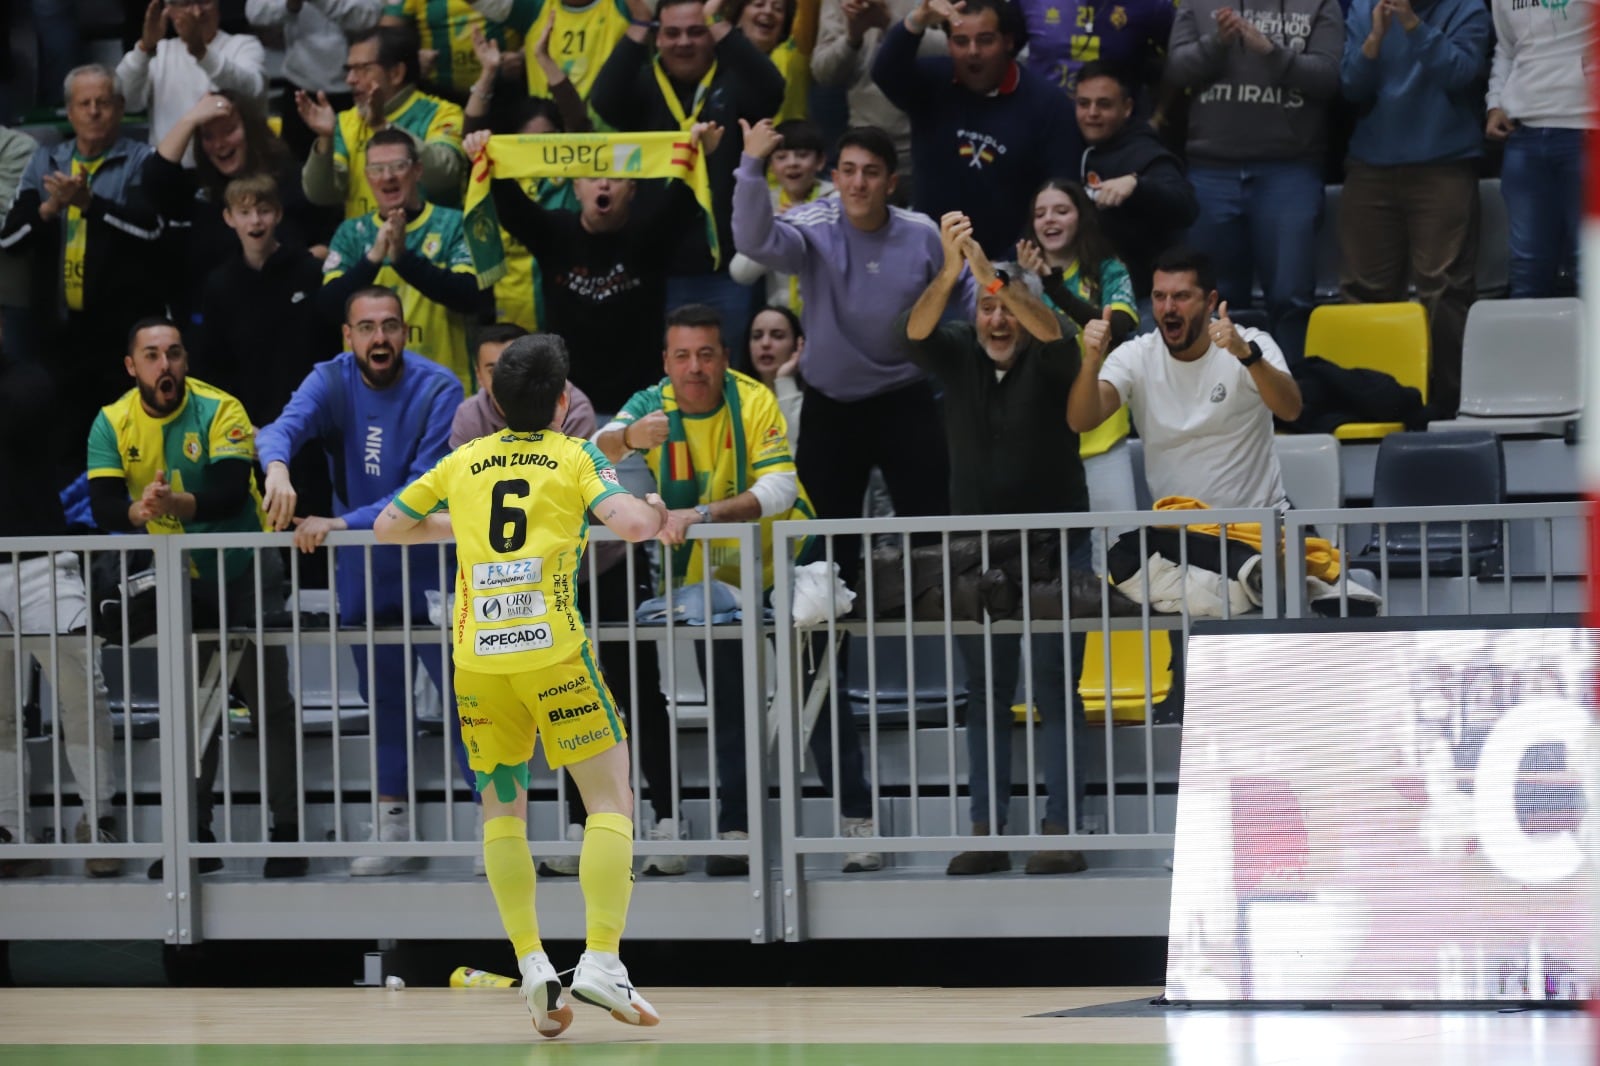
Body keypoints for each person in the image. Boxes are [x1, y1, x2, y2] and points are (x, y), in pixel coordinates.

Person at [374, 332, 668, 1033]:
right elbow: (631, 524)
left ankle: (533, 964)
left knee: (501, 812)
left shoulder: (464, 459)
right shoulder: (574, 453)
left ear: (497, 401)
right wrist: (656, 509)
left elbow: (389, 526)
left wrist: (458, 525)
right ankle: (600, 959)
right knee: (610, 800)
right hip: (552, 654)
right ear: (562, 400)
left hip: (479, 661)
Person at [596, 303, 882, 875]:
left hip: (788, 565)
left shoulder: (752, 399)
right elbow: (592, 451)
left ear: (725, 358)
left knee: (819, 697)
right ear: (666, 361)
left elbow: (780, 488)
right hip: (710, 582)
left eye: (706, 354)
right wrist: (626, 436)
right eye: (683, 356)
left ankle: (858, 823)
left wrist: (701, 514)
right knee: (728, 706)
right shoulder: (651, 404)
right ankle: (737, 830)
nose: (694, 367)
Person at [449, 324, 684, 876]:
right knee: (562, 705)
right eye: (489, 370)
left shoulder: (569, 404)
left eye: (505, 368)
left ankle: (669, 818)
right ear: (482, 377)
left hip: (599, 567)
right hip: (525, 587)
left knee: (635, 688)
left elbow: (574, 475)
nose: (498, 380)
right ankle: (583, 826)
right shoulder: (467, 418)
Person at [901, 213, 1094, 876]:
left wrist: (994, 277)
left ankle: (1062, 831)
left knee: (1054, 685)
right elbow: (912, 331)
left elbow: (1053, 329)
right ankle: (987, 831)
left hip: (1057, 542)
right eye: (986, 309)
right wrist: (953, 271)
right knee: (985, 690)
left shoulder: (1051, 349)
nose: (998, 319)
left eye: (1005, 307)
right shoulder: (957, 350)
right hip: (977, 551)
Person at [256, 286, 471, 876]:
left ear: (406, 332)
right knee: (383, 701)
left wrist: (338, 523)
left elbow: (423, 489)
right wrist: (277, 468)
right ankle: (393, 826)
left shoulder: (439, 388)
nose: (380, 338)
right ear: (348, 336)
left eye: (390, 326)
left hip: (430, 561)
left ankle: (495, 826)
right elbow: (277, 430)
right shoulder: (331, 378)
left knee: (467, 700)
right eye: (367, 327)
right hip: (364, 569)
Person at [86, 317, 306, 879]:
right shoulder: (111, 422)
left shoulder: (220, 408)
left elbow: (230, 493)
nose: (166, 365)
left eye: (175, 354)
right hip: (181, 577)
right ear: (132, 366)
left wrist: (171, 505)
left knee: (269, 702)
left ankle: (288, 834)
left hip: (246, 565)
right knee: (191, 709)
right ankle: (193, 836)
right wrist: (138, 510)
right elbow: (104, 504)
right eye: (152, 355)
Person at [731, 121, 967, 584]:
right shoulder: (812, 223)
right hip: (831, 405)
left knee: (931, 533)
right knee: (823, 546)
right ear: (835, 178)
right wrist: (751, 164)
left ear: (891, 183)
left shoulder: (921, 232)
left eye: (871, 172)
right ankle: (825, 632)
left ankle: (935, 627)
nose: (859, 183)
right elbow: (754, 242)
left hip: (906, 398)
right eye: (850, 171)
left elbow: (968, 287)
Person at [466, 122, 720, 413]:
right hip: (568, 404)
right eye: (593, 176)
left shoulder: (651, 236)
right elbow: (512, 206)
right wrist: (482, 153)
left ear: (632, 189)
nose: (604, 184)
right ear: (576, 188)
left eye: (615, 177)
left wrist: (703, 152)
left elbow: (684, 196)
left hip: (640, 403)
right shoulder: (554, 234)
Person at [0, 65, 165, 491]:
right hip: (57, 331)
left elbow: (151, 230)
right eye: (84, 103)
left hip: (118, 333)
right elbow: (10, 239)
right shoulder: (46, 160)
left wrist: (91, 205)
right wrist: (49, 208)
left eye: (103, 102)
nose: (93, 111)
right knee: (62, 444)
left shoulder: (141, 159)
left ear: (120, 108)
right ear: (69, 112)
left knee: (122, 445)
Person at [590, 0, 787, 355]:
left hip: (729, 268)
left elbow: (773, 89)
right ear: (658, 38)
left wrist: (717, 20)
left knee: (729, 370)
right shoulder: (644, 86)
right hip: (659, 269)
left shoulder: (734, 82)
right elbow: (603, 99)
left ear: (712, 36)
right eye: (672, 33)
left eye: (696, 31)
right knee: (673, 374)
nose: (684, 42)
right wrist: (640, 22)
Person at [0, 340, 120, 880]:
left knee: (82, 692)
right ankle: (10, 831)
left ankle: (99, 820)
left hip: (41, 562)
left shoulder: (29, 379)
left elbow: (20, 420)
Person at [1165, 0, 1344, 363]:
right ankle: (1219, 391)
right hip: (1211, 168)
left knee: (1291, 297)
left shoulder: (1319, 3)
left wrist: (1271, 52)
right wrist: (1217, 43)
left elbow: (1329, 78)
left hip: (1289, 167)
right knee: (1212, 299)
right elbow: (1177, 71)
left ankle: (1291, 388)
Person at [1340, 0, 1490, 416]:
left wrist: (1411, 24)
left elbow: (1461, 73)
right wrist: (1374, 39)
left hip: (1444, 164)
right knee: (1364, 291)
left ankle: (1451, 405)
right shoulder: (1364, 8)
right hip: (1371, 165)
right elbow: (1350, 85)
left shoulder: (1466, 8)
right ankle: (1372, 403)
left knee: (1444, 288)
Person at [1068, 247, 1302, 511]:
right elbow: (1081, 421)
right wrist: (1091, 361)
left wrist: (1248, 357)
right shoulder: (1136, 356)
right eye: (1159, 296)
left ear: (1210, 302)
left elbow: (1290, 409)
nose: (1168, 308)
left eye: (1181, 296)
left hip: (1257, 523)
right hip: (1176, 529)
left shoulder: (1250, 343)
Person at [870, 0, 1082, 258]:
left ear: (1008, 42)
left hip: (1011, 261)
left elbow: (1063, 191)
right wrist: (916, 21)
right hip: (929, 253)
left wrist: (1012, 265)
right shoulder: (932, 81)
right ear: (949, 45)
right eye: (961, 41)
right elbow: (884, 72)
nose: (973, 51)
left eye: (985, 40)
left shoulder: (1049, 105)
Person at [143, 90, 336, 332]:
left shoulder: (291, 179)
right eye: (208, 136)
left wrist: (297, 264)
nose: (220, 144)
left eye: (229, 131)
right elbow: (154, 181)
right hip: (212, 328)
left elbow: (332, 237)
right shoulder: (196, 189)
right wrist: (189, 120)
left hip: (288, 318)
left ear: (251, 130)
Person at [1014, 179, 1139, 535]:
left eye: (1061, 211)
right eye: (1040, 213)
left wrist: (1053, 286)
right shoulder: (1016, 279)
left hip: (1103, 439)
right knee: (1046, 556)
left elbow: (1116, 327)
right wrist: (1025, 286)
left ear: (1081, 217)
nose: (1049, 220)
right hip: (1041, 441)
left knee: (1120, 550)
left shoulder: (1107, 269)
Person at [321, 128, 481, 389]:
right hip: (367, 392)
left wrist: (403, 260)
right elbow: (328, 308)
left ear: (417, 170)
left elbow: (470, 296)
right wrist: (373, 259)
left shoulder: (453, 224)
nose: (388, 176)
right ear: (367, 176)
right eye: (377, 169)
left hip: (442, 388)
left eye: (398, 166)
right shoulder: (351, 233)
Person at [196, 173, 341, 428]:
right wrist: (235, 420)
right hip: (248, 424)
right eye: (244, 212)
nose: (255, 220)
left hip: (312, 418)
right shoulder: (219, 284)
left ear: (278, 214)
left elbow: (331, 347)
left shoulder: (309, 272)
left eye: (264, 211)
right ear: (229, 218)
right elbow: (214, 362)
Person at [297, 25, 467, 219]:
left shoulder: (442, 113)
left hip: (431, 236)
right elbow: (321, 195)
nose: (350, 79)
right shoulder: (345, 121)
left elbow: (444, 177)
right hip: (366, 237)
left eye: (363, 69)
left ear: (396, 73)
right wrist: (325, 139)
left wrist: (382, 126)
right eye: (349, 70)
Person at [1485, 0, 1590, 298]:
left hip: (1587, 131)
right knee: (1526, 266)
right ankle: (1528, 331)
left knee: (1589, 263)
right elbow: (1506, 49)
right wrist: (1495, 102)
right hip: (1525, 135)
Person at [1072, 61, 1198, 303]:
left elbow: (1185, 204)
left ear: (1127, 108)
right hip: (1078, 290)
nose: (1092, 113)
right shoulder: (1067, 141)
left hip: (1139, 296)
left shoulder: (1145, 153)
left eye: (1104, 104)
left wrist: (1137, 185)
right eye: (1084, 103)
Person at [812, 0, 943, 201]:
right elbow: (823, 73)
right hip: (864, 144)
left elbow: (950, 50)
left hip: (924, 147)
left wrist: (890, 24)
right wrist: (852, 38)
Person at [118, 0, 269, 159]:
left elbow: (253, 88)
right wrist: (144, 49)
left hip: (233, 164)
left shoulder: (244, 45)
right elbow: (127, 103)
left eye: (204, 2)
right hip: (171, 167)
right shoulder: (159, 52)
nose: (197, 12)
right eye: (185, 4)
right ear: (169, 10)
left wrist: (201, 52)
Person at [245, 0, 384, 161]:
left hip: (356, 91)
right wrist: (289, 6)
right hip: (301, 88)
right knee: (298, 169)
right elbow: (255, 12)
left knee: (364, 163)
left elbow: (370, 17)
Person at [728, 118, 833, 314]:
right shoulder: (763, 204)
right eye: (781, 157)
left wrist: (803, 219)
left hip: (829, 313)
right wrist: (773, 227)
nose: (792, 163)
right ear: (770, 166)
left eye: (802, 155)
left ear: (820, 161)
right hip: (782, 318)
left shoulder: (836, 200)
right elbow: (740, 273)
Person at [1014, 0, 1173, 100]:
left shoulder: (1152, 5)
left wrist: (1158, 117)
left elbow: (1177, 60)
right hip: (1043, 122)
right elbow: (1004, 50)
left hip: (1118, 130)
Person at [380, 0, 524, 97]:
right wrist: (412, 61)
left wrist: (522, 57)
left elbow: (536, 19)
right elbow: (385, 39)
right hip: (439, 96)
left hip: (507, 91)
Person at [727, 0, 820, 121]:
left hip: (785, 132)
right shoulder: (720, 57)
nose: (768, 11)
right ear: (739, 16)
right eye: (759, 4)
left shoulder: (794, 51)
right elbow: (711, 16)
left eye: (778, 8)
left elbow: (809, 7)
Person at [747, 304, 804, 451]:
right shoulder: (734, 398)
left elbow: (801, 447)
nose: (765, 343)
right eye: (757, 336)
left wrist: (784, 380)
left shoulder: (813, 400)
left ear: (797, 346)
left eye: (777, 336)